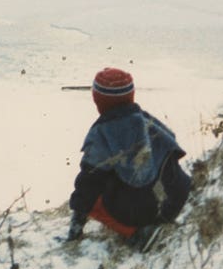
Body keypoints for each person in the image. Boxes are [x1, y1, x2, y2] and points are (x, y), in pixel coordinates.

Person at [66, 68, 192, 252]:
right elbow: (172, 148)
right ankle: (157, 215)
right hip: (176, 197)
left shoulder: (101, 134)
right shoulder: (146, 119)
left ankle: (138, 234)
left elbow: (87, 185)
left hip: (148, 210)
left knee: (92, 198)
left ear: (97, 100)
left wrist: (74, 231)